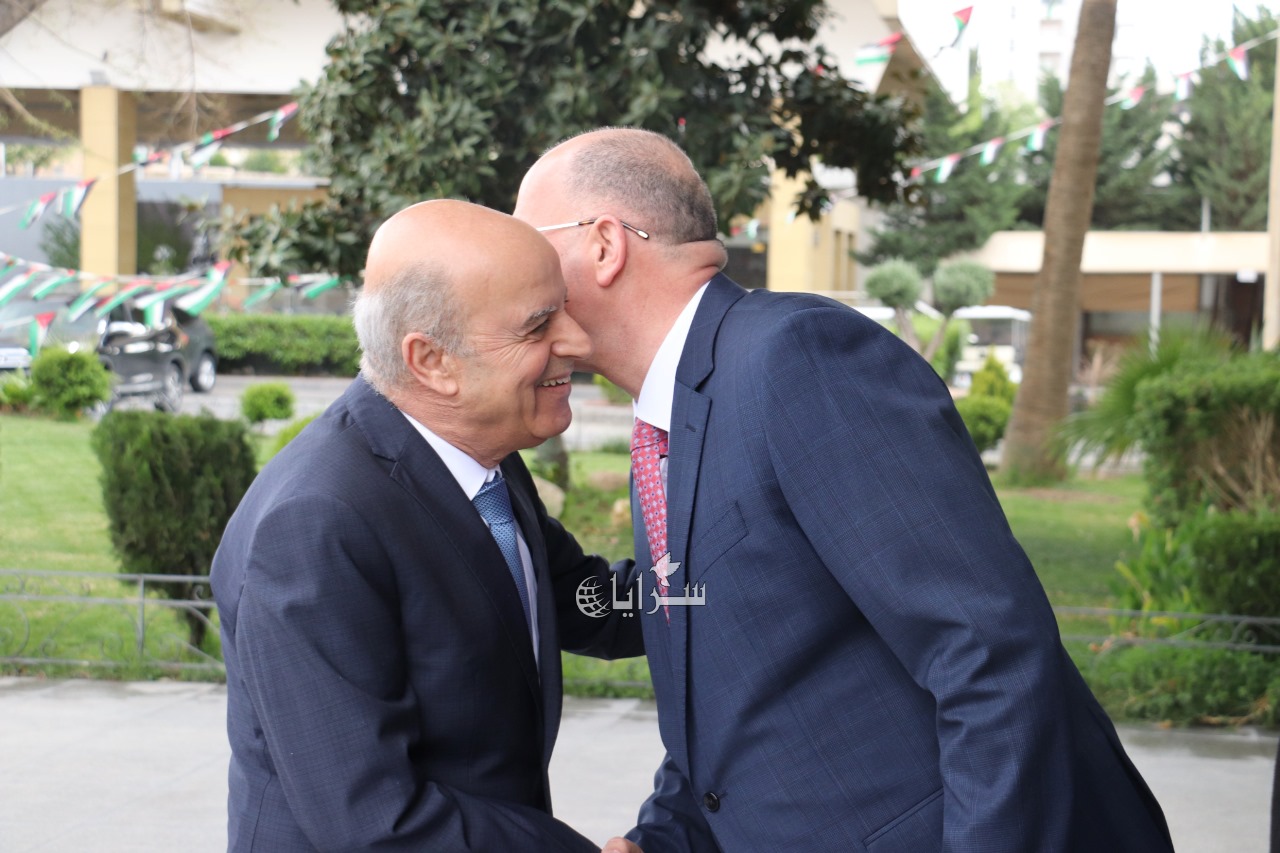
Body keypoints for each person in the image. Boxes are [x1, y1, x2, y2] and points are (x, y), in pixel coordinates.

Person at [515, 128, 1176, 852]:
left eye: (529, 244)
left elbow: (990, 656)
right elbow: (735, 673)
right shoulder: (674, 419)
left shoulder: (796, 358)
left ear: (605, 245)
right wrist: (662, 837)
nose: (516, 271)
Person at [210, 199, 644, 851]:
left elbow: (588, 600)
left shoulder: (482, 456)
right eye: (538, 325)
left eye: (565, 309)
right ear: (432, 361)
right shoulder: (315, 524)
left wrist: (729, 585)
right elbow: (375, 820)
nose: (578, 342)